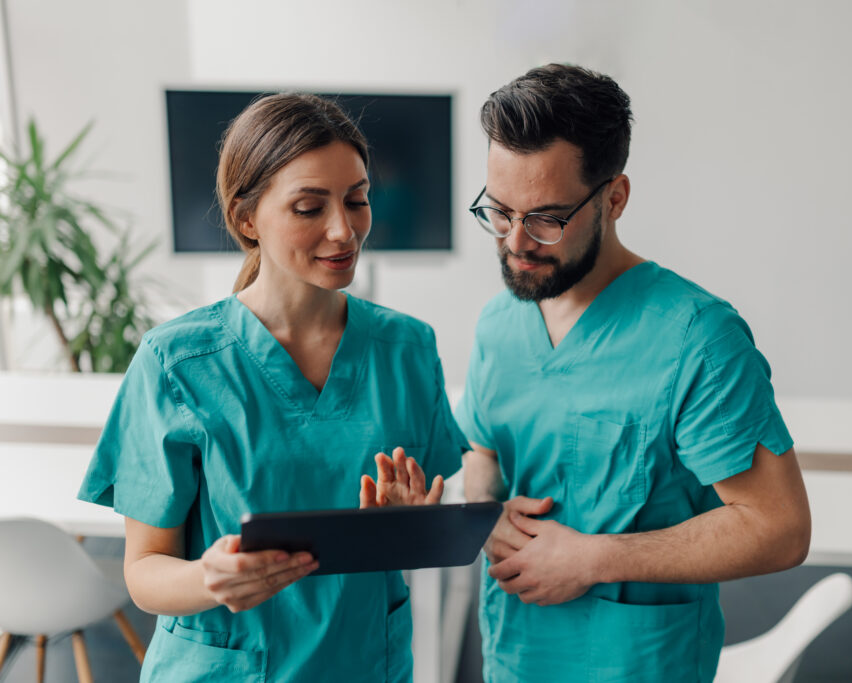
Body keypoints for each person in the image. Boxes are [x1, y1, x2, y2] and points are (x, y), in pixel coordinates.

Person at [77, 93, 468, 682]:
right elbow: (144, 574)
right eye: (310, 208)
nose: (344, 230)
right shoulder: (177, 361)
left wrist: (405, 527)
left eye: (357, 200)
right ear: (245, 220)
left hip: (363, 663)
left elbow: (414, 537)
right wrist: (210, 578)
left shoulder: (407, 350)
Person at [455, 64, 812, 682]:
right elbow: (483, 451)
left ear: (614, 198)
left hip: (638, 661)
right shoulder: (498, 323)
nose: (515, 242)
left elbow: (778, 529)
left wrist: (594, 558)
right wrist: (487, 512)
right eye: (499, 212)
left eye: (546, 218)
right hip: (515, 651)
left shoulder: (698, 337)